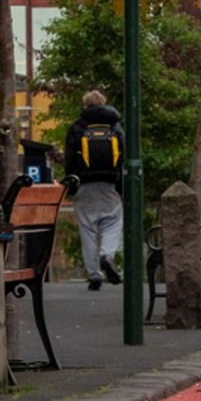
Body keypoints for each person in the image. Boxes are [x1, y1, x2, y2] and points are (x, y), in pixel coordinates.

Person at [61, 89, 125, 291]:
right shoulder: (115, 127)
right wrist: (120, 185)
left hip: (85, 185)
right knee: (113, 222)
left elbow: (69, 158)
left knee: (87, 229)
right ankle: (107, 255)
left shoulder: (77, 127)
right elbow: (123, 156)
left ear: (85, 105)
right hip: (109, 184)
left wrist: (72, 184)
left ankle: (94, 275)